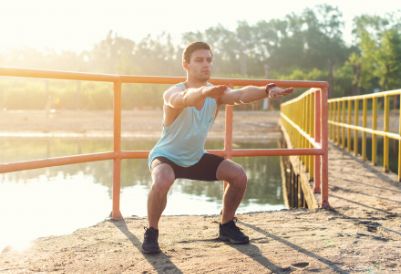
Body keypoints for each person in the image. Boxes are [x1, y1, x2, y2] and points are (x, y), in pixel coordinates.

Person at [142, 41, 293, 254]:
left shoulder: (215, 93)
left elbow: (240, 95)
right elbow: (182, 99)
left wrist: (267, 90)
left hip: (195, 158)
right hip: (166, 157)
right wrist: (203, 93)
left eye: (209, 60)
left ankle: (227, 225)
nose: (206, 64)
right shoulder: (173, 92)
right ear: (185, 65)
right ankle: (151, 232)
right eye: (199, 60)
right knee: (163, 179)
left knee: (239, 176)